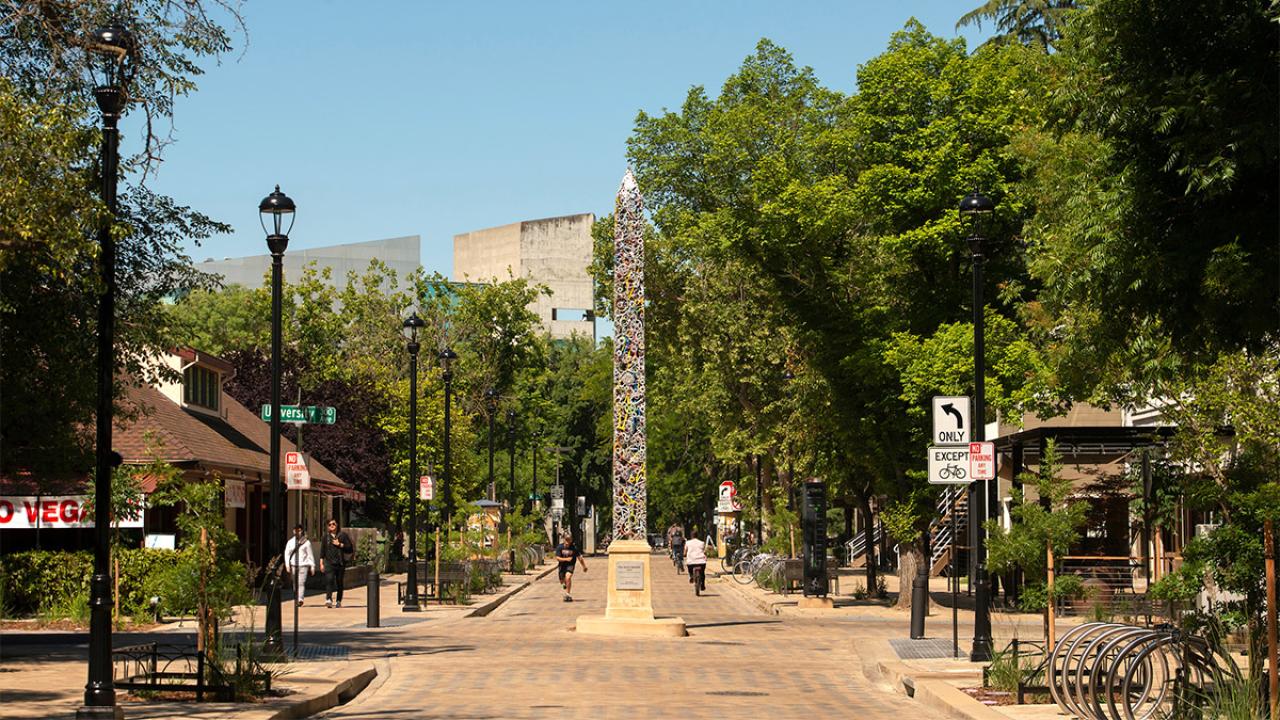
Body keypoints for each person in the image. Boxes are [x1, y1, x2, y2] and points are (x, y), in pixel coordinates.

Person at [319, 518, 354, 608]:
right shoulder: (325, 537)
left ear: (337, 525)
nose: (332, 526)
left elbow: (350, 548)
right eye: (330, 524)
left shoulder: (342, 535)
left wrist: (340, 544)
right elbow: (322, 551)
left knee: (339, 582)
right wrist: (321, 563)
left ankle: (338, 600)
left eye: (333, 524)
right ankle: (328, 599)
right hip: (329, 563)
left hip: (340, 563)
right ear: (328, 527)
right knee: (329, 580)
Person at [284, 524, 315, 606]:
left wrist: (312, 566)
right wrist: (287, 565)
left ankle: (300, 599)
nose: (297, 532)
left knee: (301, 582)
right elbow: (287, 554)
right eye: (296, 530)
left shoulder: (306, 542)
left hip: (303, 565)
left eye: (299, 530)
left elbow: (310, 555)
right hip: (293, 565)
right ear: (293, 531)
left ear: (302, 531)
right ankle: (296, 597)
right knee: (295, 583)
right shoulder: (290, 542)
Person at [554, 532, 587, 602]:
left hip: (570, 565)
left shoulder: (574, 548)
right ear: (563, 539)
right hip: (562, 566)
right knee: (562, 581)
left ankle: (568, 594)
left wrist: (584, 566)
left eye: (569, 540)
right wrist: (566, 559)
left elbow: (580, 558)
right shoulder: (560, 547)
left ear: (571, 540)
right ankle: (564, 583)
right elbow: (557, 558)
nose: (567, 541)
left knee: (568, 577)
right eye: (566, 539)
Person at [684, 528, 707, 592]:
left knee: (689, 569)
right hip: (701, 561)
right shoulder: (702, 543)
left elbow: (685, 552)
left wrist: (684, 554)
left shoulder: (688, 543)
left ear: (691, 536)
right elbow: (704, 551)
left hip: (691, 561)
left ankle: (691, 576)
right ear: (698, 536)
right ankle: (703, 585)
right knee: (702, 573)